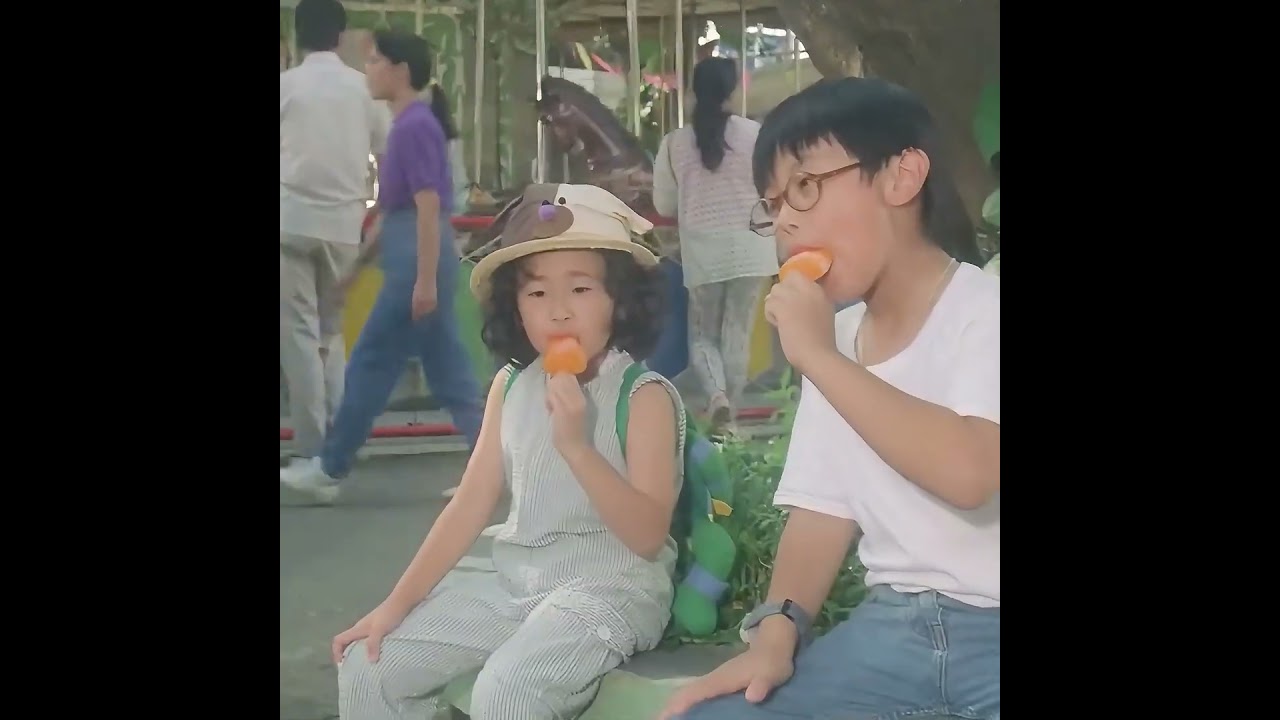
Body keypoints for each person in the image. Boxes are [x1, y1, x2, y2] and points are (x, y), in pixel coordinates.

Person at [661, 77, 999, 720]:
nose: (786, 221)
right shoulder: (839, 339)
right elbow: (822, 511)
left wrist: (819, 358)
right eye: (772, 206)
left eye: (805, 187)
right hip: (892, 634)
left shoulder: (985, 311)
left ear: (902, 177)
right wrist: (776, 633)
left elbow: (971, 473)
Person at [331, 183, 684, 720]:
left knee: (507, 692)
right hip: (515, 584)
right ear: (515, 308)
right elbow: (470, 504)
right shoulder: (512, 384)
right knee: (367, 666)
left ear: (620, 300)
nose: (559, 312)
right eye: (537, 294)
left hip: (609, 589)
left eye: (581, 289)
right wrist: (393, 607)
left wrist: (577, 447)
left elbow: (647, 535)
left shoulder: (643, 395)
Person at [281, 29, 484, 503]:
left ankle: (330, 467)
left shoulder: (414, 127)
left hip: (415, 265)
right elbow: (396, 211)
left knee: (373, 364)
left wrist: (425, 281)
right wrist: (356, 268)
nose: (367, 70)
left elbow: (428, 206)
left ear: (400, 71)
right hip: (412, 260)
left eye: (374, 61)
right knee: (448, 374)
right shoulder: (409, 125)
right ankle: (498, 467)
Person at [280, 0, 391, 471]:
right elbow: (389, 154)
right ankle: (340, 446)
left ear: (297, 34)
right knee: (331, 334)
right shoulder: (364, 90)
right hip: (346, 225)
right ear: (341, 36)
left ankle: (311, 448)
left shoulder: (286, 86)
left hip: (289, 220)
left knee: (299, 337)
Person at [653, 57, 779, 431]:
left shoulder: (675, 144)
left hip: (704, 252)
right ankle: (731, 415)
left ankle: (717, 398)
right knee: (737, 332)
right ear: (732, 90)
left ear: (694, 89)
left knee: (704, 336)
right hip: (753, 248)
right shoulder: (755, 135)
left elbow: (663, 204)